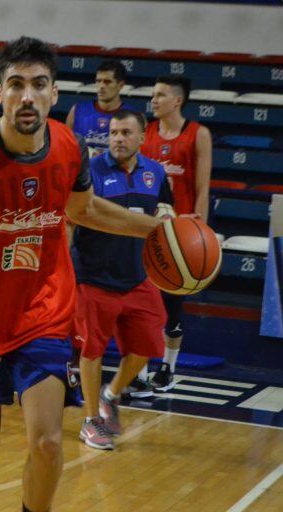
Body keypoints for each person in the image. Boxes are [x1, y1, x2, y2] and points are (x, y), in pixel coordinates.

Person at [0, 37, 163, 512]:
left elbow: (84, 209)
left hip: (42, 314)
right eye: (17, 85)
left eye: (39, 85)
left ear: (55, 93)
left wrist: (157, 229)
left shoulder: (68, 146)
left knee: (47, 443)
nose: (28, 96)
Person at [72, 110, 172, 450]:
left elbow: (164, 212)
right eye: (114, 132)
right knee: (91, 350)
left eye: (126, 132)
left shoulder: (156, 173)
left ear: (143, 137)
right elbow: (82, 214)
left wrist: (169, 217)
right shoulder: (91, 171)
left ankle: (111, 394)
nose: (117, 138)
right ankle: (90, 421)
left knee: (147, 346)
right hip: (94, 276)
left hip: (137, 276)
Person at [140, 75, 212, 392]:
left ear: (177, 101)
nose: (153, 100)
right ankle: (140, 370)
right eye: (153, 95)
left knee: (173, 307)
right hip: (149, 231)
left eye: (160, 95)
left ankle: (168, 368)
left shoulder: (199, 134)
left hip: (181, 238)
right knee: (142, 305)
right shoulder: (146, 133)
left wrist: (201, 231)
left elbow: (202, 187)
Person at [65, 60, 132, 156]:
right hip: (84, 169)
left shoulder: (133, 116)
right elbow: (65, 148)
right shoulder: (77, 111)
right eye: (98, 81)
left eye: (107, 82)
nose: (101, 86)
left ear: (120, 85)